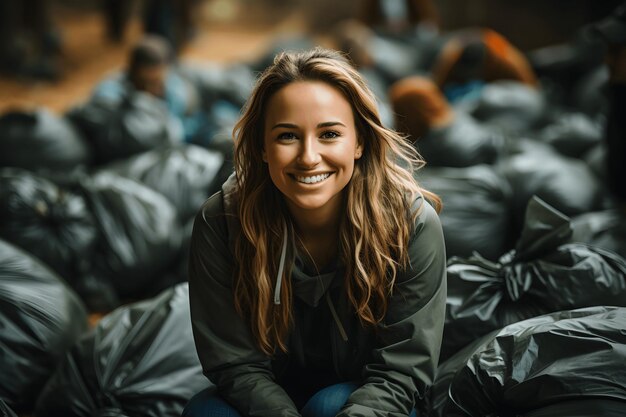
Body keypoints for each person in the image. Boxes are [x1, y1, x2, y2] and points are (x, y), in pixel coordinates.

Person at [183, 48, 447, 417]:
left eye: (329, 134)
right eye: (288, 136)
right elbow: (234, 363)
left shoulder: (412, 225)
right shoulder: (222, 222)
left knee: (327, 406)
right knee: (205, 412)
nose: (308, 156)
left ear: (359, 142)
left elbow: (401, 372)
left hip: (373, 397)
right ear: (261, 146)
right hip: (266, 393)